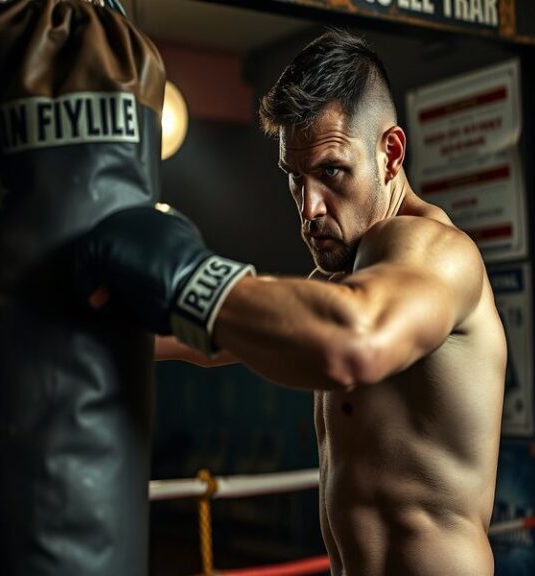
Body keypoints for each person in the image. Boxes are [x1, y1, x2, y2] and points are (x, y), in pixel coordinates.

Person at [77, 28, 507, 576]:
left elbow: (354, 341)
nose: (309, 208)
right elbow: (212, 344)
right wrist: (75, 323)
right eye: (294, 178)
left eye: (331, 172)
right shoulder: (347, 285)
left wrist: (187, 275)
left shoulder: (435, 252)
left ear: (391, 153)